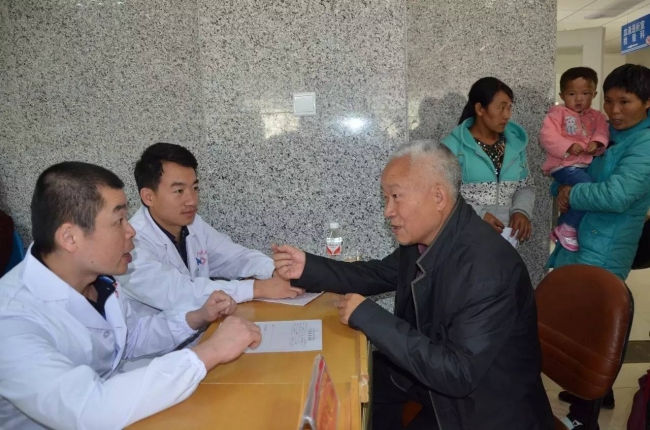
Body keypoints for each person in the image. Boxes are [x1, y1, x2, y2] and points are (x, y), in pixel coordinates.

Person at [273, 140, 553, 430]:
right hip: (437, 378)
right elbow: (376, 274)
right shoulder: (427, 237)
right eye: (386, 198)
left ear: (439, 197)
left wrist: (369, 316)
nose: (388, 211)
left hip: (482, 409)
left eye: (396, 197)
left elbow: (458, 373)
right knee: (354, 382)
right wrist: (307, 267)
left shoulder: (488, 270)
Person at [0, 162, 262, 429]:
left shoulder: (98, 280)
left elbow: (131, 336)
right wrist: (210, 352)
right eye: (119, 221)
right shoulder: (11, 320)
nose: (131, 231)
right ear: (70, 237)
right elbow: (89, 409)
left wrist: (196, 317)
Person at [548, 64, 650, 428]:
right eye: (609, 101)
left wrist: (571, 192)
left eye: (625, 101)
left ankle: (584, 417)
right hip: (584, 239)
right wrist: (561, 187)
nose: (615, 110)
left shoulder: (645, 143)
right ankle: (594, 393)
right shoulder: (606, 132)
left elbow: (618, 195)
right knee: (584, 323)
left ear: (647, 102)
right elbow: (571, 167)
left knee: (596, 330)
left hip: (608, 245)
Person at [116, 143, 304, 315]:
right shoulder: (129, 243)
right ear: (148, 196)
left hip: (198, 331)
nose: (192, 200)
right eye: (179, 191)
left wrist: (276, 271)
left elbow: (234, 257)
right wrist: (258, 288)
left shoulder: (192, 223)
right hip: (162, 340)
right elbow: (180, 293)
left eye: (195, 188)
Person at [442, 77, 534, 248]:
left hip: (506, 241)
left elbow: (525, 186)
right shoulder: (453, 147)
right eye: (500, 108)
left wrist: (521, 211)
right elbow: (441, 194)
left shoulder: (515, 146)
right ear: (479, 109)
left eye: (509, 107)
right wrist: (479, 215)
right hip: (464, 239)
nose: (506, 115)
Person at [540, 67, 609, 252]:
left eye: (585, 93)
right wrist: (567, 146)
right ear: (562, 95)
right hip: (563, 165)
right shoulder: (557, 114)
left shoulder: (597, 116)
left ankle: (563, 227)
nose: (579, 99)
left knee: (578, 193)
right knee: (586, 188)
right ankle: (567, 226)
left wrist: (597, 142)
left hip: (583, 165)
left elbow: (603, 132)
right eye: (572, 94)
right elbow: (547, 137)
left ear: (594, 94)